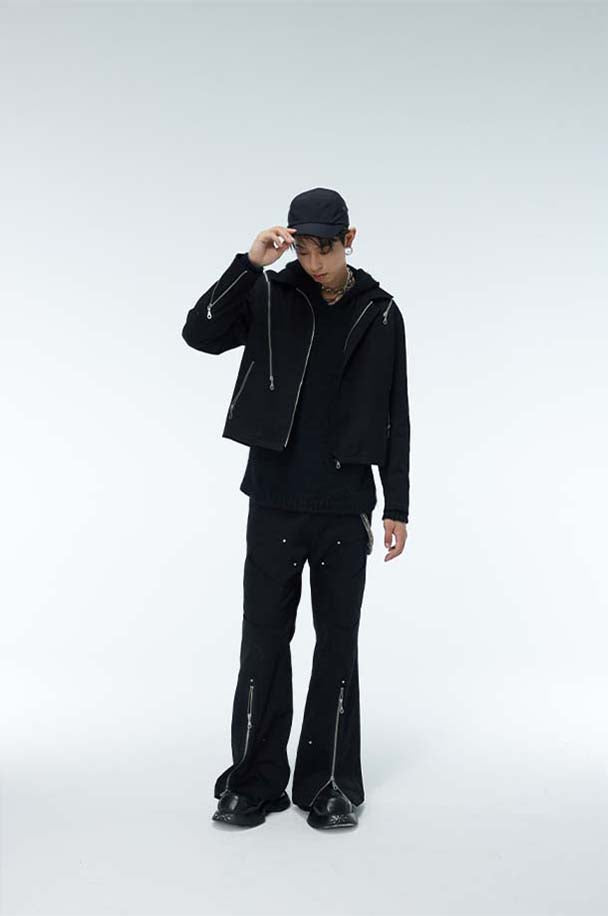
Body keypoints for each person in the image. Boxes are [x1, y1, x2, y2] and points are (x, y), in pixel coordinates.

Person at [181, 187, 410, 830]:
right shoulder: (271, 295)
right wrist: (248, 264)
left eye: (324, 250)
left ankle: (330, 782)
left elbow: (396, 412)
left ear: (350, 240)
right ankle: (254, 782)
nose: (313, 264)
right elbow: (199, 333)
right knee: (262, 640)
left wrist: (398, 504)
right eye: (302, 251)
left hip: (344, 507)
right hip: (275, 500)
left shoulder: (381, 312)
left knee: (337, 644)